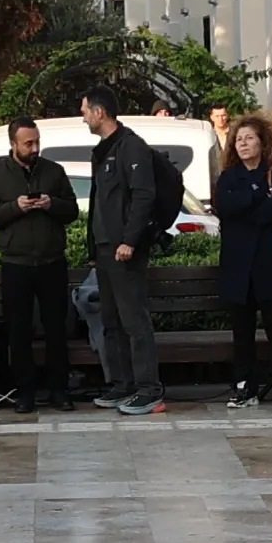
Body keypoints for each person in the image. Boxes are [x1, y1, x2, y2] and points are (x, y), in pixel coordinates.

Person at [80, 89, 178, 415]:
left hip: (125, 251)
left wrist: (130, 240)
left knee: (134, 320)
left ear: (100, 112)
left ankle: (149, 388)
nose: (83, 117)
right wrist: (94, 247)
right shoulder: (103, 150)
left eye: (85, 111)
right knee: (110, 321)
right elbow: (99, 203)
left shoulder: (131, 146)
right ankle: (122, 385)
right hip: (106, 250)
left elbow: (143, 196)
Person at [0, 120, 77, 410]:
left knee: (56, 328)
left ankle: (58, 390)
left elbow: (72, 211)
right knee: (18, 331)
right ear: (13, 144)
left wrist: (50, 204)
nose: (34, 148)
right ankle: (25, 392)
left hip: (52, 261)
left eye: (37, 141)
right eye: (28, 143)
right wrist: (16, 207)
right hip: (15, 264)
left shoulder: (54, 171)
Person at [211, 112, 272, 403]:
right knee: (242, 334)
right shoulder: (228, 177)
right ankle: (244, 389)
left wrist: (249, 208)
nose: (243, 144)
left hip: (270, 266)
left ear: (263, 143)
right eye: (238, 139)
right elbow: (224, 206)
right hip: (238, 269)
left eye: (249, 138)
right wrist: (255, 196)